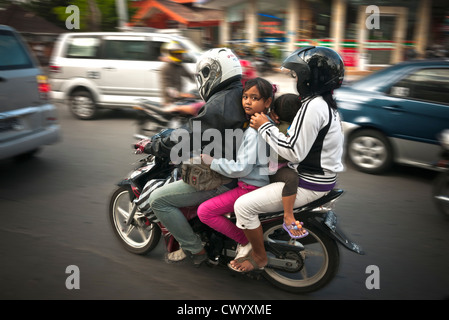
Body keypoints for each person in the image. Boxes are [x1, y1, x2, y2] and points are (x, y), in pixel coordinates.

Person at [229, 46, 345, 273]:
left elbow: (293, 151)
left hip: (308, 182)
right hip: (321, 178)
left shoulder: (312, 106)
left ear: (311, 78)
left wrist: (265, 126)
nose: (296, 79)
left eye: (299, 74)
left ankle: (259, 257)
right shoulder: (327, 105)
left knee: (242, 206)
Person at [146, 48, 248, 265]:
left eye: (203, 75)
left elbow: (189, 136)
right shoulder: (241, 92)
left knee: (158, 200)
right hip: (240, 168)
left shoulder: (220, 103)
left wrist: (155, 146)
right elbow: (197, 130)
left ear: (213, 73)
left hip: (222, 178)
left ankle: (195, 249)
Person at [197, 77, 275, 261]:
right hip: (258, 183)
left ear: (267, 102)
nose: (248, 101)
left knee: (204, 211)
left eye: (254, 98)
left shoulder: (254, 132)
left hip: (249, 187)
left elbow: (241, 168)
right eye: (245, 97)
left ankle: (245, 241)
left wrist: (212, 161)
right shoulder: (265, 123)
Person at [267, 93, 307, 238]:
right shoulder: (285, 128)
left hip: (278, 165)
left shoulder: (281, 125)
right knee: (292, 178)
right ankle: (288, 214)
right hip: (274, 168)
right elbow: (278, 154)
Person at [159, 41, 196, 105]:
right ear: (171, 54)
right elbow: (169, 90)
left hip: (180, 100)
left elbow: (191, 77)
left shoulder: (179, 66)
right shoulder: (165, 69)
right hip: (170, 103)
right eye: (178, 54)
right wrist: (185, 95)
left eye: (181, 54)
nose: (181, 56)